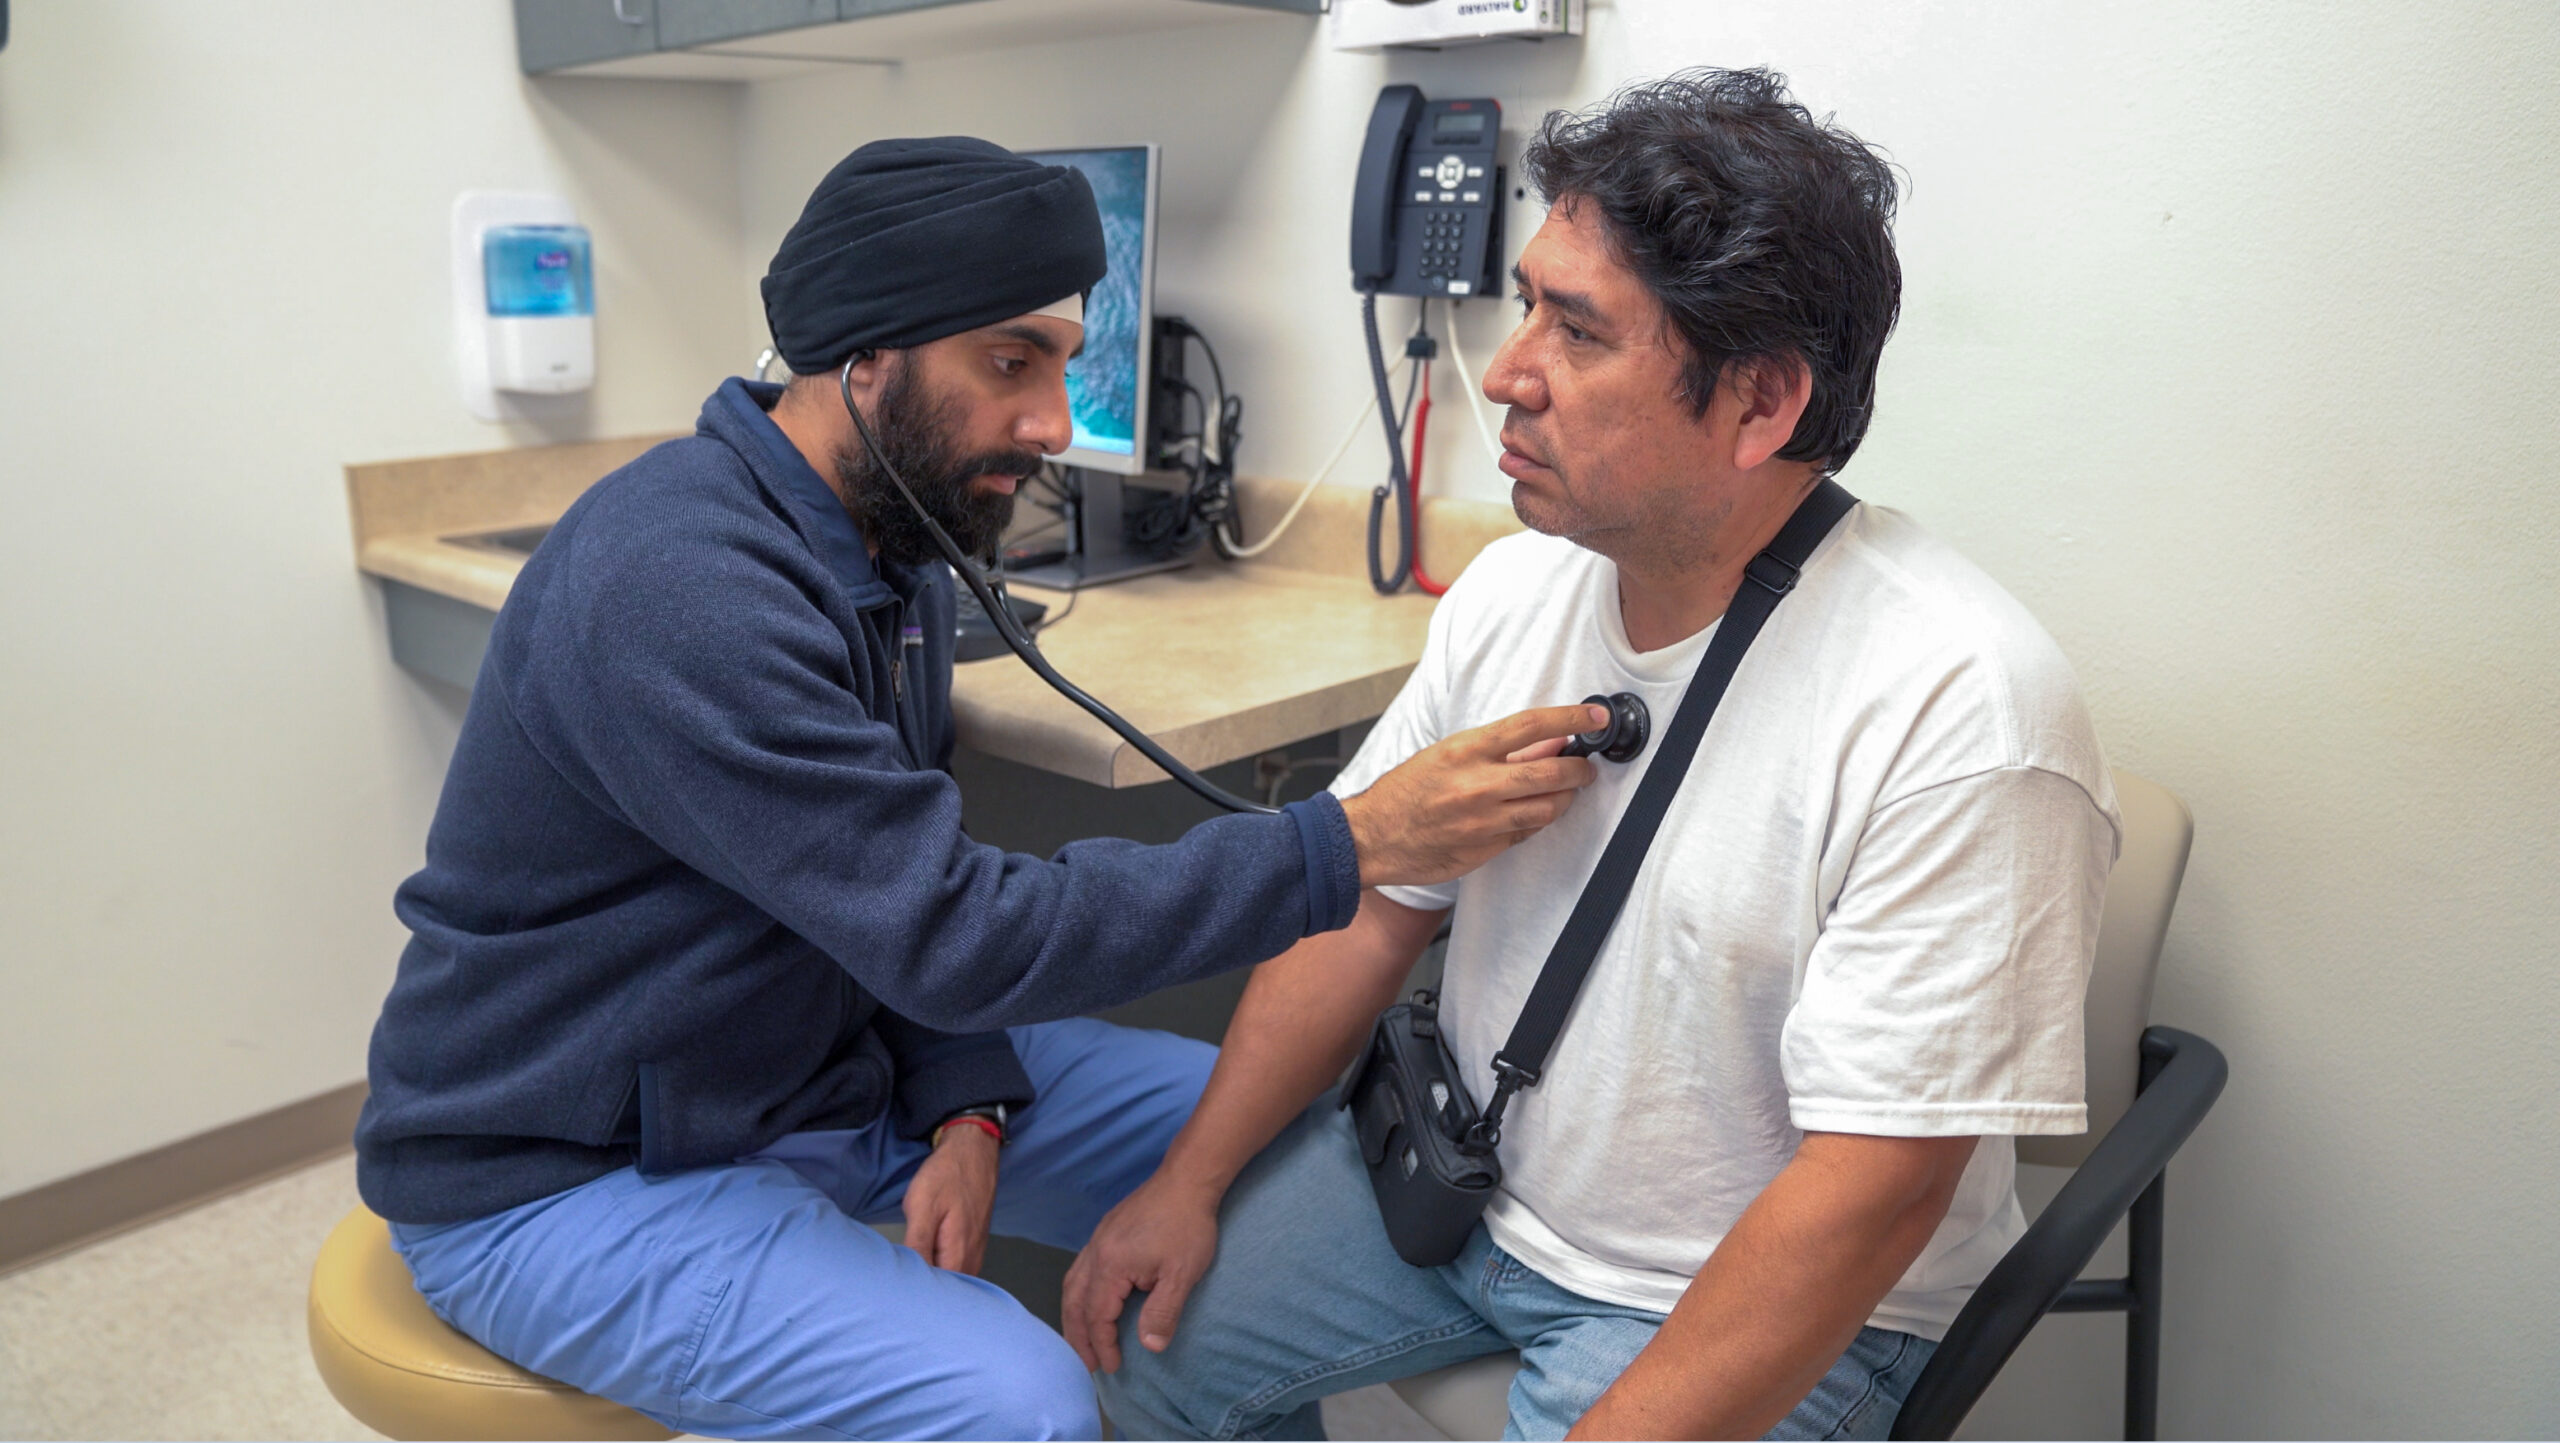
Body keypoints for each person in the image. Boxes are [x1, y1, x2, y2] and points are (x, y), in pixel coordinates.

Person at [353, 137, 1605, 1441]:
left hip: (809, 1069)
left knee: (1258, 1164)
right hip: (571, 1170)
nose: (1054, 424)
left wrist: (962, 1093)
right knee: (1020, 1404)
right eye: (1011, 363)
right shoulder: (687, 590)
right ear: (865, 360)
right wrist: (1350, 838)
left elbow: (892, 885)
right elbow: (956, 930)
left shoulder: (883, 540)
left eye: (1064, 364)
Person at [1071, 70, 2123, 1441]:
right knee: (1138, 1344)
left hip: (1749, 1285)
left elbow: (1876, 1185)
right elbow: (1373, 906)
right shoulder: (1519, 591)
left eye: (1577, 332)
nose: (1509, 372)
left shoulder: (1960, 708)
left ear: (1758, 404)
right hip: (1467, 1180)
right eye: (1528, 305)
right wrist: (1190, 1181)